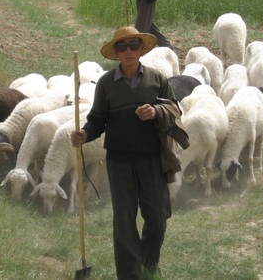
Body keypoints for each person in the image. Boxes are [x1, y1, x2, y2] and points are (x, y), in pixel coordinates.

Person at [70, 26, 188, 280]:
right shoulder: (106, 83)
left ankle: (148, 263)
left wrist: (156, 112)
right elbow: (97, 120)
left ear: (141, 48)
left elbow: (175, 111)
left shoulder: (157, 79)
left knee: (157, 217)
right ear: (116, 52)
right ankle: (129, 274)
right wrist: (85, 134)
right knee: (124, 221)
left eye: (133, 45)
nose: (128, 51)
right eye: (122, 47)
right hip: (119, 160)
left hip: (152, 159)